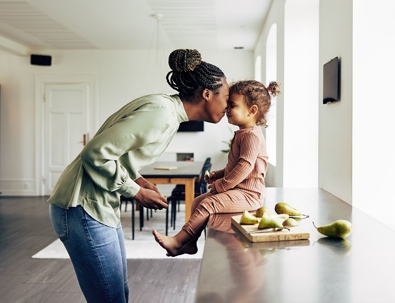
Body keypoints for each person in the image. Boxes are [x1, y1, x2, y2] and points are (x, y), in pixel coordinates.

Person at [48, 49, 229, 303]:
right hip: (82, 206)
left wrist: (140, 181)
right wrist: (135, 192)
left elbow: (119, 155)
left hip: (96, 206)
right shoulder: (162, 114)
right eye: (227, 97)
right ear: (207, 94)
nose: (229, 106)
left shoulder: (167, 111)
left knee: (118, 294)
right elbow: (95, 154)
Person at [153, 80, 281, 257]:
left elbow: (245, 167)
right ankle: (190, 243)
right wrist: (218, 174)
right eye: (228, 105)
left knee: (208, 204)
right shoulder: (243, 133)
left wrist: (222, 184)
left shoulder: (252, 136)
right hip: (238, 190)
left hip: (249, 195)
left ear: (252, 111)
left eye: (232, 105)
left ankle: (177, 241)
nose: (227, 109)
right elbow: (236, 166)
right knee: (197, 202)